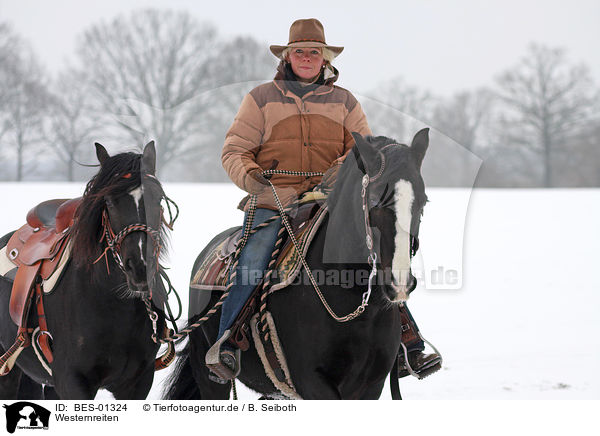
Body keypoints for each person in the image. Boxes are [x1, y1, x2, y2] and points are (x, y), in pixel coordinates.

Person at [207, 18, 441, 382]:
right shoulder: (260, 99)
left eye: (313, 52)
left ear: (325, 58)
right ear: (287, 56)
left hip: (331, 199)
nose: (306, 57)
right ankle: (228, 342)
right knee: (254, 256)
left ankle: (406, 339)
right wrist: (255, 182)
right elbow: (235, 150)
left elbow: (365, 153)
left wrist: (340, 174)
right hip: (275, 201)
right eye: (299, 51)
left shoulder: (345, 101)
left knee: (377, 252)